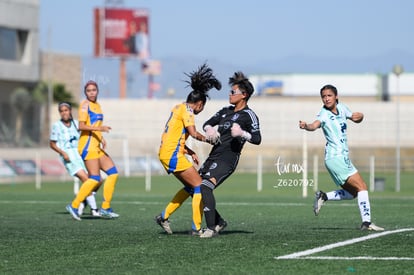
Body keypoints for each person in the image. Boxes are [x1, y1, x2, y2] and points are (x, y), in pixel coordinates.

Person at [156, 71, 262, 238]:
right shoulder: (225, 111)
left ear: (244, 95)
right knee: (195, 188)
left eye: (233, 92)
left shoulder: (249, 115)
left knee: (202, 187)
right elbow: (207, 124)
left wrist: (242, 134)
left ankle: (208, 228)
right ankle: (217, 222)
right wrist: (210, 130)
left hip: (227, 160)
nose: (230, 94)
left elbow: (257, 138)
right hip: (213, 156)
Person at [299, 84, 384, 231]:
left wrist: (360, 117)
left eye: (329, 95)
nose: (326, 99)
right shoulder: (323, 114)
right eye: (324, 96)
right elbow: (314, 125)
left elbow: (355, 118)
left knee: (353, 193)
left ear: (336, 96)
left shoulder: (343, 108)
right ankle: (367, 222)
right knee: (362, 187)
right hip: (336, 157)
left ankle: (323, 196)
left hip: (338, 158)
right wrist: (306, 125)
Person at [155, 63, 222, 235]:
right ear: (199, 104)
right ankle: (196, 228)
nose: (201, 110)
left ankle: (164, 216)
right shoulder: (188, 111)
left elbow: (174, 136)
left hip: (167, 152)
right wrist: (209, 139)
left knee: (191, 187)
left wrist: (189, 151)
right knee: (199, 185)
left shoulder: (178, 107)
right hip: (172, 155)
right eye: (203, 107)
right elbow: (192, 133)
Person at [65, 80, 120, 221]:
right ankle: (74, 205)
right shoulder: (85, 106)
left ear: (97, 91)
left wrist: (100, 138)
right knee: (95, 178)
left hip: (96, 145)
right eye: (88, 90)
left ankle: (105, 208)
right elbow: (81, 126)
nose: (91, 92)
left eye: (93, 90)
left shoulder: (97, 106)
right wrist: (100, 129)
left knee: (113, 173)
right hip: (87, 146)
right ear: (85, 93)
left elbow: (94, 124)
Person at [50, 102, 100, 217]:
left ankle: (82, 202)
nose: (64, 113)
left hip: (80, 155)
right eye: (61, 111)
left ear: (70, 111)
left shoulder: (76, 124)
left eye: (66, 110)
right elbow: (52, 144)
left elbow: (87, 135)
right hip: (69, 157)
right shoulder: (57, 126)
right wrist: (63, 153)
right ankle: (94, 209)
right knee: (86, 180)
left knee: (97, 180)